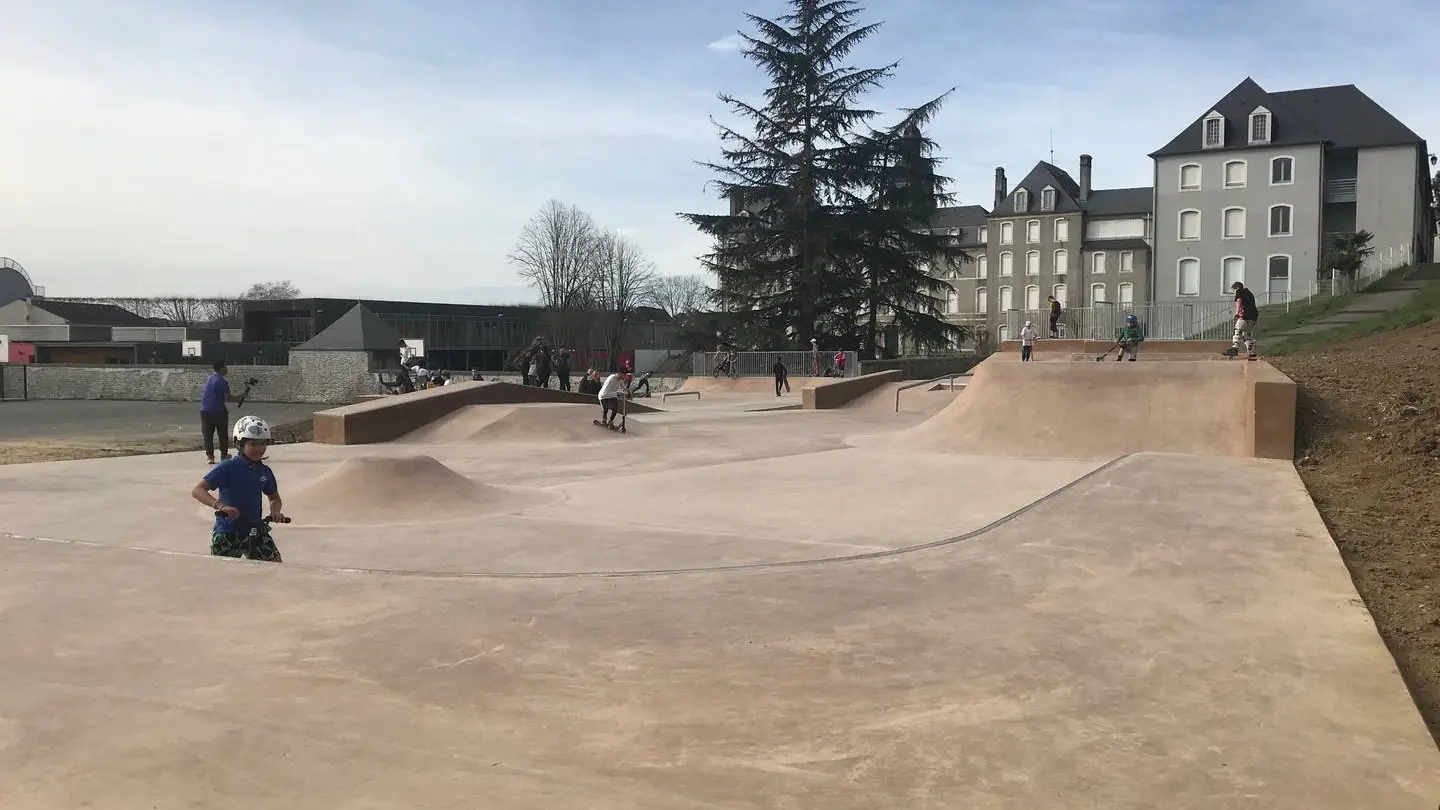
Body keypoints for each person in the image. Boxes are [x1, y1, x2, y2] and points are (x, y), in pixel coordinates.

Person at [190, 415, 285, 562]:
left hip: (255, 530)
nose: (259, 449)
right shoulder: (228, 468)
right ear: (239, 444)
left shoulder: (265, 471)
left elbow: (274, 497)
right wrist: (220, 506)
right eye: (253, 444)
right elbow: (198, 490)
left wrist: (275, 511)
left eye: (263, 444)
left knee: (276, 568)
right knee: (222, 575)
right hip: (228, 532)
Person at [200, 360, 245, 465]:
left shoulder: (210, 378)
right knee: (222, 433)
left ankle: (210, 456)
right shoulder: (222, 381)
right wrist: (239, 397)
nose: (227, 369)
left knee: (207, 434)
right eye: (225, 367)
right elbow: (228, 398)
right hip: (218, 411)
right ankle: (224, 455)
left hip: (204, 410)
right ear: (221, 368)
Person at [1226, 281, 1259, 358]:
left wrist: (1237, 313)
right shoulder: (1249, 293)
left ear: (1236, 288)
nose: (1234, 293)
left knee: (1237, 330)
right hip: (1253, 317)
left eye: (1233, 291)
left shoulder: (1239, 291)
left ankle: (1234, 348)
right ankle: (1252, 352)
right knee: (1246, 335)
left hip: (1245, 316)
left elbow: (1239, 301)